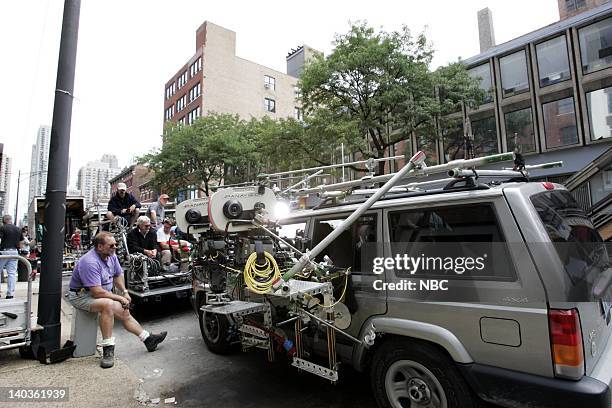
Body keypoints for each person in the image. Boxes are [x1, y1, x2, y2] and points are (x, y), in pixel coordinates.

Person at [66, 231, 167, 368]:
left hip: (100, 294)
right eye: (111, 245)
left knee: (124, 311)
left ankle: (148, 339)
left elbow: (117, 275)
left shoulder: (110, 256)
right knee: (107, 305)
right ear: (100, 247)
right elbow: (96, 292)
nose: (115, 247)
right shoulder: (89, 262)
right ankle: (108, 350)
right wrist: (119, 297)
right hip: (81, 296)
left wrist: (124, 292)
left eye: (116, 244)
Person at [0, 215, 23, 299]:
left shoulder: (2, 228)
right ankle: (10, 294)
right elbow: (21, 243)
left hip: (4, 251)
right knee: (12, 273)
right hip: (14, 252)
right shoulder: (18, 229)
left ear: (4, 221)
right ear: (10, 220)